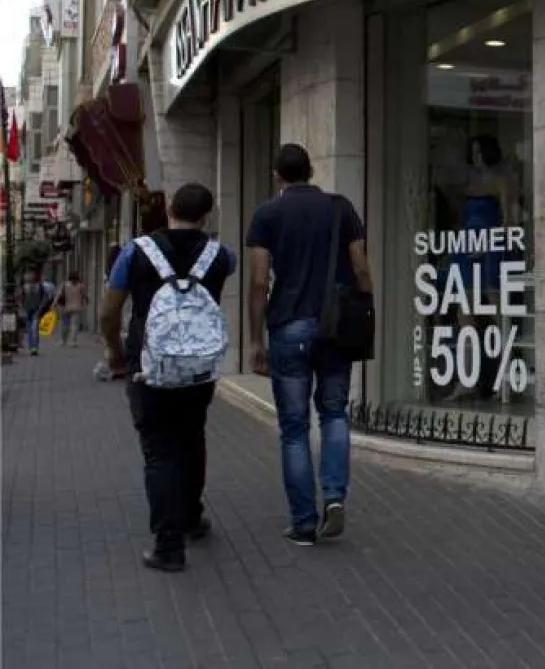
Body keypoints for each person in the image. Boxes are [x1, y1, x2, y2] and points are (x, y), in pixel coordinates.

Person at [99, 183, 235, 572]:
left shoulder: (136, 252)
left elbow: (110, 312)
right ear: (207, 216)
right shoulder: (219, 256)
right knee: (192, 437)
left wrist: (115, 350)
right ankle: (191, 518)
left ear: (169, 206)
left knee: (159, 450)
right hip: (198, 368)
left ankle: (168, 545)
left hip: (149, 366)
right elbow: (232, 264)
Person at [246, 143, 373, 547]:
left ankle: (303, 522)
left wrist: (255, 339)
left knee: (294, 429)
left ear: (276, 174)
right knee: (335, 413)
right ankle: (334, 496)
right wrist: (365, 312)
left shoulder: (267, 214)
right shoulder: (341, 208)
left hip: (289, 327)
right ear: (312, 170)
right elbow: (361, 268)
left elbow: (259, 281)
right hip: (334, 328)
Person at [20, 268, 55, 356]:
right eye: (27, 275)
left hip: (36, 310)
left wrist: (41, 307)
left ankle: (34, 348)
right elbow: (21, 298)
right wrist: (22, 308)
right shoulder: (24, 287)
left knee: (34, 329)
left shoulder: (40, 286)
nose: (29, 277)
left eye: (31, 275)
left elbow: (45, 297)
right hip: (27, 311)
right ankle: (31, 347)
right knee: (29, 330)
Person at [53, 272, 89, 348]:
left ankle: (63, 340)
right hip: (77, 307)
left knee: (64, 324)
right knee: (74, 325)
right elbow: (85, 295)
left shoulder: (65, 285)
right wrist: (87, 300)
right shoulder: (81, 286)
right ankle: (73, 341)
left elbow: (59, 295)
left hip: (66, 308)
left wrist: (54, 303)